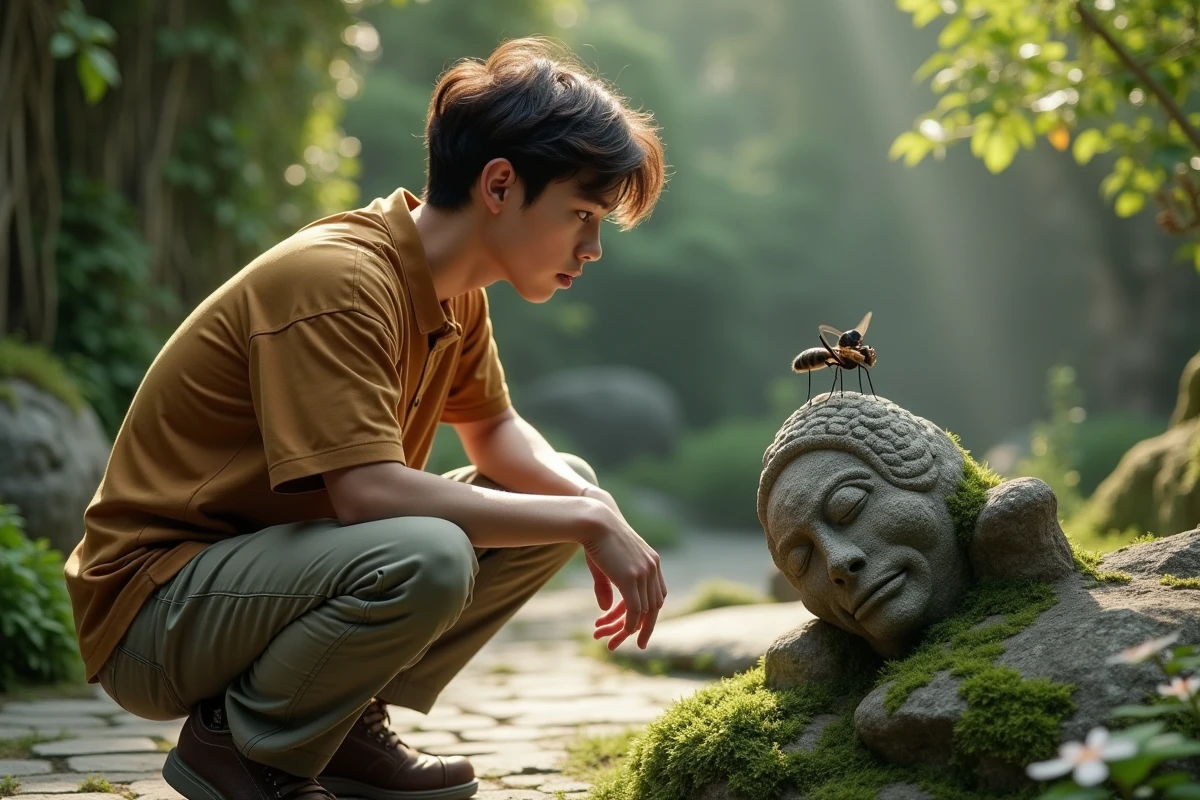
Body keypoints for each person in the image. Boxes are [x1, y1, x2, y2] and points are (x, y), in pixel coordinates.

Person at [64, 36, 668, 800]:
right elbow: (367, 494)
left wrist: (592, 505)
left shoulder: (456, 293)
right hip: (156, 612)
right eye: (581, 213)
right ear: (500, 184)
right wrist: (586, 521)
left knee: (563, 485)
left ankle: (334, 720)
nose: (593, 247)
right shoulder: (341, 281)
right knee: (432, 553)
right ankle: (242, 749)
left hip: (257, 587)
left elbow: (494, 431)